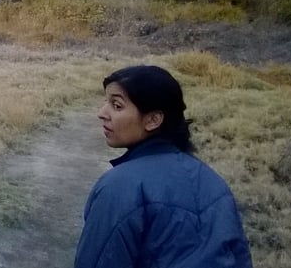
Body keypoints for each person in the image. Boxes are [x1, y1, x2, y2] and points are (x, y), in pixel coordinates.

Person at [74, 65, 253, 268]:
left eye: (117, 106)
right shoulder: (212, 180)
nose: (101, 113)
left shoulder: (119, 186)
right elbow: (240, 257)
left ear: (153, 120)